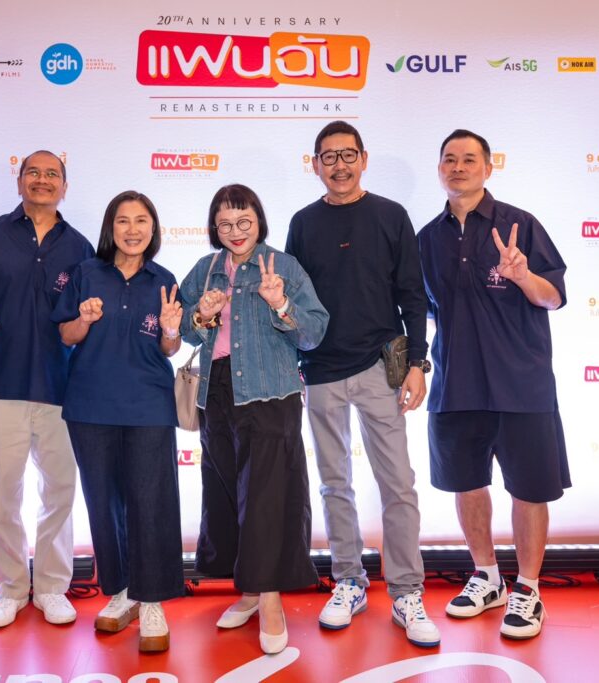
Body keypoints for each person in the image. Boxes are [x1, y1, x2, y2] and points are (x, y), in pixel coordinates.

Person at [285, 121, 440, 647]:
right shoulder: (303, 223)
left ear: (364, 159)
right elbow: (294, 302)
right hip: (321, 370)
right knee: (335, 484)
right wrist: (293, 361)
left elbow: (412, 295)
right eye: (328, 157)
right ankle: (348, 581)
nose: (339, 165)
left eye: (348, 155)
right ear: (315, 165)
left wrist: (417, 363)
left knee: (398, 484)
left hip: (379, 366)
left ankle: (407, 592)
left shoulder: (391, 216)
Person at [417, 129, 570, 640]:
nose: (458, 167)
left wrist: (523, 275)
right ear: (440, 168)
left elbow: (553, 297)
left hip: (521, 383)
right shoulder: (426, 238)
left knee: (529, 488)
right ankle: (487, 577)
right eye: (449, 159)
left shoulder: (519, 224)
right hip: (456, 382)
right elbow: (421, 309)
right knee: (466, 482)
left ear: (488, 166)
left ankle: (527, 588)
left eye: (469, 159)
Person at [179, 184, 329, 654]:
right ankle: (247, 590)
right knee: (227, 493)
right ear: (214, 228)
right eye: (225, 224)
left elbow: (314, 331)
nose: (235, 231)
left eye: (243, 221)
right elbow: (179, 327)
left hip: (270, 392)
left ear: (259, 220)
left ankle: (269, 599)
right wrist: (199, 315)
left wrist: (280, 304)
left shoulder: (283, 266)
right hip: (216, 392)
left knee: (267, 497)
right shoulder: (206, 269)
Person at [52, 190, 185, 652]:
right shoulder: (87, 273)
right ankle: (123, 590)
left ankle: (152, 600)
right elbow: (66, 334)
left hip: (149, 405)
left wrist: (171, 330)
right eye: (123, 221)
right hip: (90, 405)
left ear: (153, 228)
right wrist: (84, 319)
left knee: (152, 502)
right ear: (111, 227)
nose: (132, 230)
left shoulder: (164, 280)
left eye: (141, 221)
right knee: (104, 503)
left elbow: (170, 348)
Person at [0, 150, 94, 628]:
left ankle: (53, 587)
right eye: (33, 173)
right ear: (19, 181)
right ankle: (10, 588)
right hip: (0, 385)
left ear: (65, 186)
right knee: (2, 495)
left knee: (60, 491)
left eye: (52, 174)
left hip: (63, 390)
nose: (42, 180)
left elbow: (85, 326)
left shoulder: (80, 247)